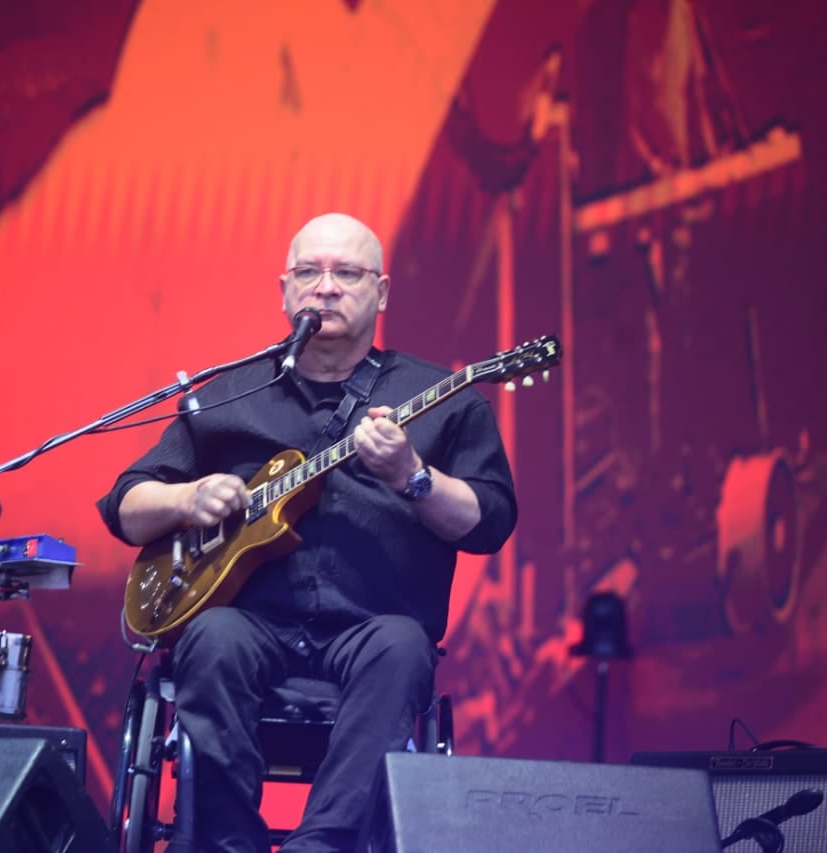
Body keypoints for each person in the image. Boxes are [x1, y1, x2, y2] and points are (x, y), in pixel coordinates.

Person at [98, 213, 517, 851]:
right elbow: (126, 505)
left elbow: (489, 522)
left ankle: (321, 846)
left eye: (347, 273)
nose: (325, 288)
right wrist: (189, 496)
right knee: (209, 637)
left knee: (403, 649)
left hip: (374, 629)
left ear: (382, 293)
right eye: (308, 273)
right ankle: (225, 844)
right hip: (249, 626)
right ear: (284, 290)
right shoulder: (229, 394)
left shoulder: (443, 397)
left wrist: (412, 474)